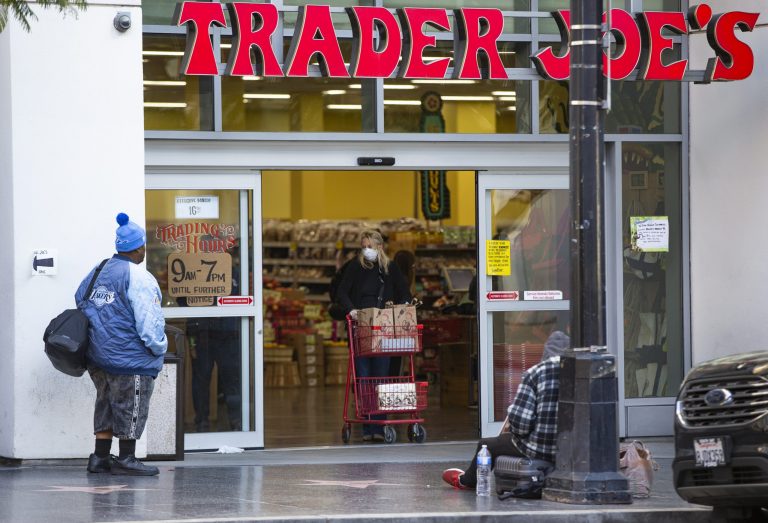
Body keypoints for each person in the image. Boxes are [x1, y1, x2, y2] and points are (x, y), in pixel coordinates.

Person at [76, 213, 168, 476]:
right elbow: (149, 323)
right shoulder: (139, 277)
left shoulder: (99, 269)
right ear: (138, 248)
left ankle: (99, 458)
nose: (144, 251)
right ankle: (127, 458)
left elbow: (80, 299)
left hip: (98, 356)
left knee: (105, 404)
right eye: (143, 247)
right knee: (132, 406)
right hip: (130, 358)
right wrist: (159, 348)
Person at [442, 330, 570, 489]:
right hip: (571, 450)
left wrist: (513, 429)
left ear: (546, 351)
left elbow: (521, 424)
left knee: (487, 445)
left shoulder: (536, 373)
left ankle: (466, 481)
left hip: (539, 448)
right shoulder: (582, 371)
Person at [336, 229, 412, 441]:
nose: (366, 250)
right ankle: (368, 425)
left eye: (370, 246)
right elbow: (342, 291)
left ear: (380, 246)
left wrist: (401, 309)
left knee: (381, 375)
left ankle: (379, 424)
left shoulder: (390, 268)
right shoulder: (355, 266)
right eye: (363, 247)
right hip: (360, 325)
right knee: (363, 376)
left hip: (383, 327)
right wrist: (351, 310)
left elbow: (404, 292)